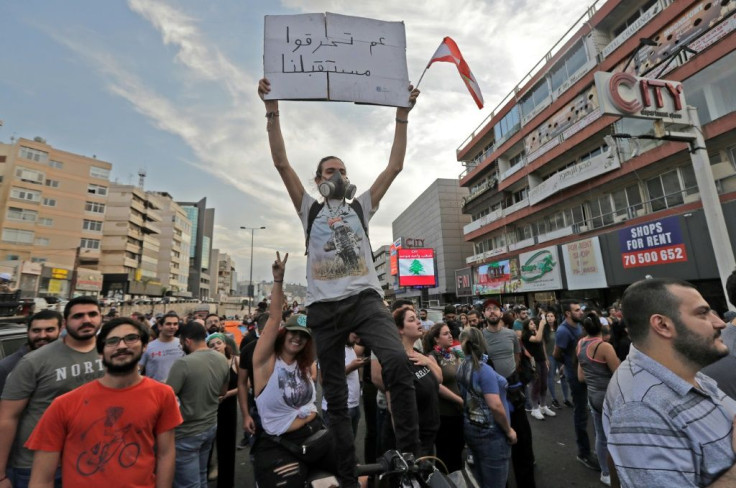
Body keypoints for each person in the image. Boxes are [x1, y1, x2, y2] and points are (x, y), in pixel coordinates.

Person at [258, 77, 422, 487]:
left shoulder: (360, 207)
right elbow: (282, 163)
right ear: (319, 179)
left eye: (343, 171)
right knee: (333, 398)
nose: (340, 175)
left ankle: (410, 455)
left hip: (366, 299)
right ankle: (348, 475)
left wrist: (401, 116)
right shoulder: (309, 209)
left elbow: (395, 167)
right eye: (332, 171)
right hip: (324, 310)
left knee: (399, 361)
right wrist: (271, 108)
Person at [603, 278, 736, 487]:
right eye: (702, 313)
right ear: (663, 325)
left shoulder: (684, 370)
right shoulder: (640, 408)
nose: (720, 322)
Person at [25, 317, 181, 488]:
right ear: (101, 352)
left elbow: (166, 454)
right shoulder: (63, 405)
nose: (121, 346)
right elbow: (42, 479)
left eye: (130, 338)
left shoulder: (162, 394)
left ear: (145, 346)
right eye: (112, 341)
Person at [0, 296, 105, 488]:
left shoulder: (110, 353)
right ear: (66, 323)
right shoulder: (33, 361)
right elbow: (7, 417)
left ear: (101, 318)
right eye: (78, 316)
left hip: (89, 459)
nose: (87, 320)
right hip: (35, 465)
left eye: (92, 314)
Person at [251, 252, 335, 487]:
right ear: (283, 334)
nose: (297, 338)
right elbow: (274, 317)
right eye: (293, 333)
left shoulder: (305, 365)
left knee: (352, 475)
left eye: (303, 336)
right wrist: (278, 281)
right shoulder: (266, 363)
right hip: (280, 445)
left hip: (316, 435)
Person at [167, 321, 229, 488]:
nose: (181, 346)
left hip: (186, 432)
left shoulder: (183, 363)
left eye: (181, 343)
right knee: (201, 475)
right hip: (210, 426)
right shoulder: (222, 359)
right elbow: (222, 392)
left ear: (187, 341)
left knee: (188, 483)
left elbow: (167, 396)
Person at [481, 298, 536, 487]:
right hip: (492, 394)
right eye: (488, 310)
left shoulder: (512, 335)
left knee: (522, 438)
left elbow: (517, 357)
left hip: (514, 391)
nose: (492, 312)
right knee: (497, 440)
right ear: (484, 315)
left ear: (501, 312)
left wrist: (511, 380)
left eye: (495, 309)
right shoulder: (480, 337)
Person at [372, 307, 441, 457]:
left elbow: (439, 379)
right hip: (414, 445)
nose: (418, 321)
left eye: (417, 317)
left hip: (429, 437)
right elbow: (395, 412)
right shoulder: (397, 362)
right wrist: (409, 453)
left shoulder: (418, 354)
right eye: (411, 319)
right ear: (399, 330)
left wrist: (427, 362)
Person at [457, 327, 516, 488]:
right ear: (482, 342)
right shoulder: (484, 370)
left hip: (472, 428)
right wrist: (508, 430)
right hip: (492, 435)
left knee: (480, 481)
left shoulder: (462, 366)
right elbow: (495, 406)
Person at [554, 300, 599, 471]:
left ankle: (593, 449)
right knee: (580, 414)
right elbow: (556, 353)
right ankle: (584, 453)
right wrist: (568, 363)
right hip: (576, 378)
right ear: (567, 313)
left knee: (590, 411)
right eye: (577, 310)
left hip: (587, 374)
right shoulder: (563, 331)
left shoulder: (580, 326)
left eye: (581, 309)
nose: (581, 312)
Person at [576, 313, 619, 486]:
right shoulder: (604, 347)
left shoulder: (580, 344)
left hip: (593, 396)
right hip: (609, 396)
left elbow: (581, 377)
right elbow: (618, 373)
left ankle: (605, 472)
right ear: (602, 328)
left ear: (584, 329)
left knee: (601, 435)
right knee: (616, 437)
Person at [424, 323, 464, 473]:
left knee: (458, 450)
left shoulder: (453, 352)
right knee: (445, 455)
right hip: (444, 413)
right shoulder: (431, 357)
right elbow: (437, 386)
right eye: (445, 333)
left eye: (450, 333)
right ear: (436, 339)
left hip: (459, 412)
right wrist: (458, 400)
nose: (450, 336)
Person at [0, 310, 62, 395]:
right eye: (36, 331)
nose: (42, 336)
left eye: (49, 330)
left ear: (60, 331)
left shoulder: (65, 359)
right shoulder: (7, 367)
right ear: (28, 332)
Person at [206, 333, 239, 488]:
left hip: (229, 408)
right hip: (210, 409)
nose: (216, 347)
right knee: (207, 446)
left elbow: (246, 386)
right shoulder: (207, 364)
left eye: (218, 343)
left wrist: (227, 395)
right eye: (212, 345)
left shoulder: (235, 360)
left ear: (225, 344)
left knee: (227, 447)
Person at [322, 332, 364, 436]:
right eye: (355, 337)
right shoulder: (331, 348)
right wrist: (351, 367)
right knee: (336, 447)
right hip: (338, 408)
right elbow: (324, 379)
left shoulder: (349, 348)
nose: (357, 341)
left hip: (353, 405)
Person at [521, 317, 556, 421]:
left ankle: (543, 406)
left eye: (534, 323)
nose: (534, 325)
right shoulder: (526, 335)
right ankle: (535, 408)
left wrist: (546, 359)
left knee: (544, 384)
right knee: (536, 385)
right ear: (526, 326)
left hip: (541, 361)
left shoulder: (536, 332)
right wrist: (541, 325)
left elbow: (542, 345)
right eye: (531, 324)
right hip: (534, 362)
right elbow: (537, 339)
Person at [140, 312, 184, 382]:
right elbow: (139, 370)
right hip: (155, 390)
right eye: (168, 324)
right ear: (160, 326)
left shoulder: (183, 344)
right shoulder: (148, 347)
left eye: (175, 324)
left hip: (178, 390)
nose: (172, 327)